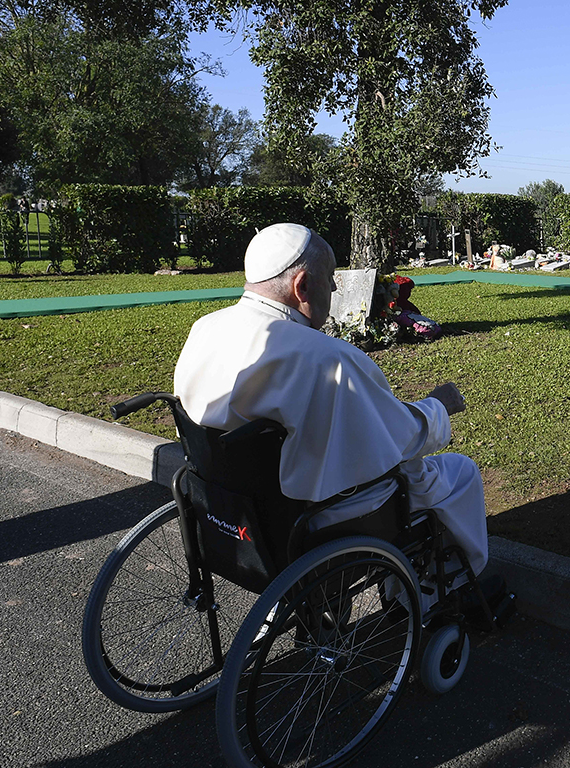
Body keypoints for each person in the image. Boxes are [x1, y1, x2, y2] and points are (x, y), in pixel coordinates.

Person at [173, 222, 488, 578]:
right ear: (303, 285)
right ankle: (456, 584)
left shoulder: (205, 328)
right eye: (331, 276)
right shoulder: (327, 358)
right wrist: (438, 406)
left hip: (232, 510)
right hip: (320, 520)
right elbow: (400, 439)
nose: (336, 286)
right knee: (460, 472)